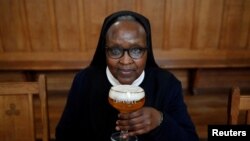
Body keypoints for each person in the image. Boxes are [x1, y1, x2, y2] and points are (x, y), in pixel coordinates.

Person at [55, 10, 199, 141]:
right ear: (104, 51)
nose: (125, 61)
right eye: (115, 50)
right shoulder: (84, 81)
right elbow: (64, 135)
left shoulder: (167, 84)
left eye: (136, 50)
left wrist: (160, 121)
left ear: (147, 51)